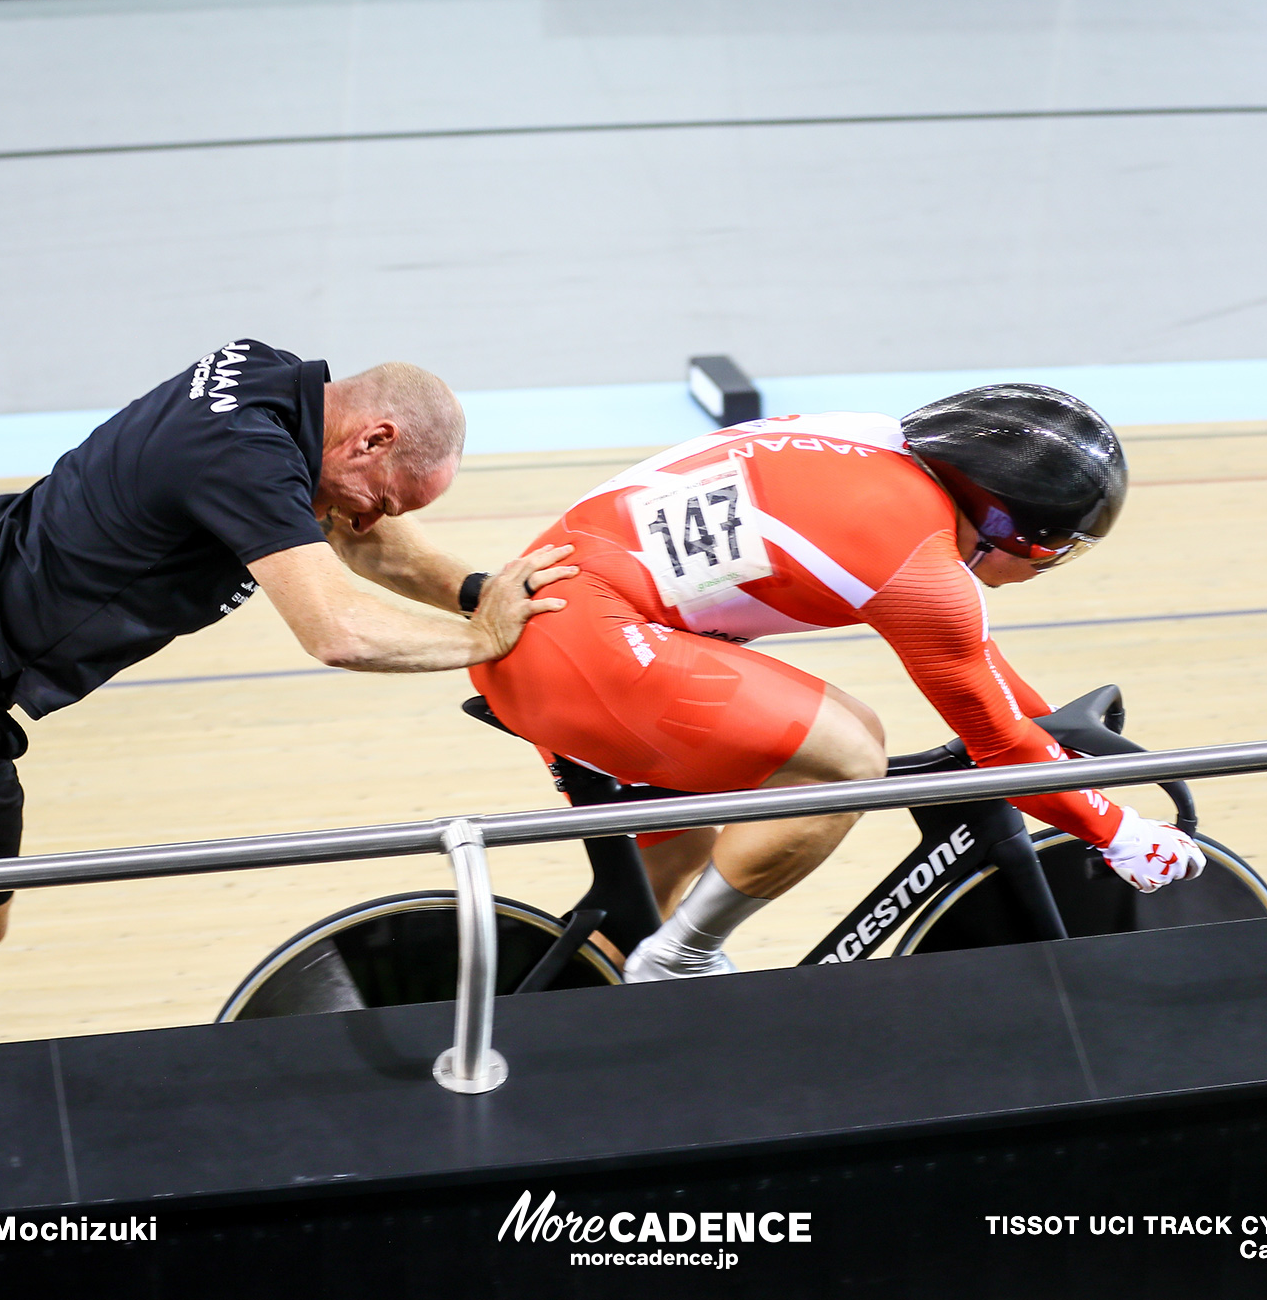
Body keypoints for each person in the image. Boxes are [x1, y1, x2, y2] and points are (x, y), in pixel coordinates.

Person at [0, 340, 574, 1065]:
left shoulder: (266, 382)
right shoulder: (251, 461)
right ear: (370, 437)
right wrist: (481, 643)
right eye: (384, 495)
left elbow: (361, 544)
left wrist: (477, 589)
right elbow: (335, 629)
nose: (371, 518)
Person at [469, 384, 1201, 982]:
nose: (1045, 568)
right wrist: (1116, 829)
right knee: (849, 757)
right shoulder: (917, 564)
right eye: (1055, 552)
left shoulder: (876, 447)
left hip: (559, 625)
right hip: (587, 642)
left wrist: (1051, 742)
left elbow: (984, 681)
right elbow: (996, 741)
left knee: (652, 891)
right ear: (1014, 528)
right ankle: (681, 963)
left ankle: (580, 1005)